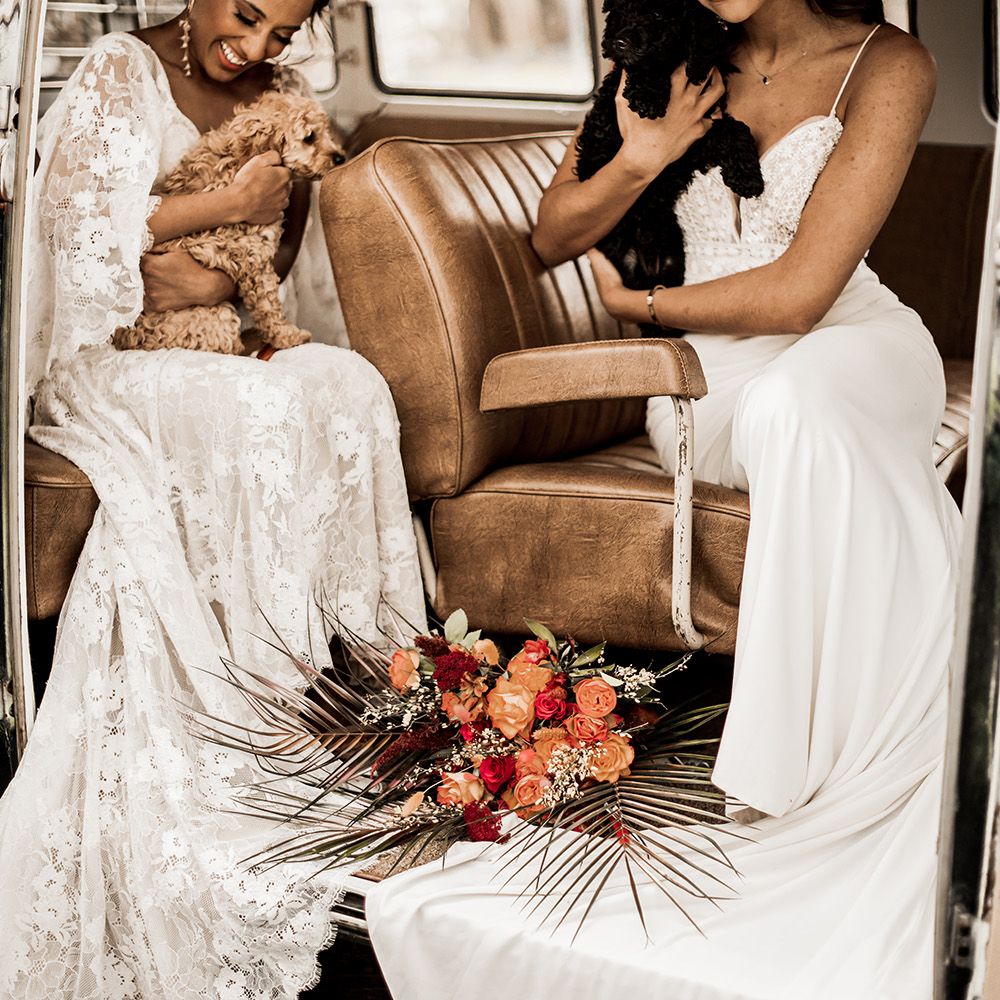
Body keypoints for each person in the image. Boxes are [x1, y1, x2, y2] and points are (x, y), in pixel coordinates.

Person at [365, 2, 960, 998]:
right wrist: (642, 157)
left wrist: (640, 309)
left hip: (854, 345)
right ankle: (791, 786)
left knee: (797, 403)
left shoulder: (887, 63)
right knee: (771, 406)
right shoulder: (667, 53)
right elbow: (555, 233)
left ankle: (805, 770)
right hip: (706, 379)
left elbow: (803, 294)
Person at [0, 1, 426, 996]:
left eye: (283, 32)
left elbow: (267, 262)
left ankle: (365, 689)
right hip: (108, 356)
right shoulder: (120, 69)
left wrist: (219, 262)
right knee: (259, 416)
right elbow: (73, 240)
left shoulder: (284, 95)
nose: (260, 45)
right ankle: (252, 716)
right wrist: (212, 205)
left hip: (215, 332)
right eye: (247, 16)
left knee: (348, 385)